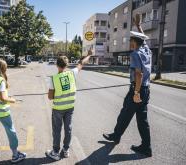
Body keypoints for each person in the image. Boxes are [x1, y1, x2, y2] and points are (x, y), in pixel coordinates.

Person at [103, 14, 152, 157]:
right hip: (146, 89)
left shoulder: (136, 54)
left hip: (137, 89)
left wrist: (136, 93)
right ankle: (146, 147)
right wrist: (138, 25)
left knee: (125, 114)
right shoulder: (146, 50)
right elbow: (143, 37)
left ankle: (116, 136)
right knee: (142, 120)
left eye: (131, 39)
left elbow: (138, 74)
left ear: (134, 42)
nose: (130, 41)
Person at [45, 50, 92, 161]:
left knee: (57, 130)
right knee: (68, 129)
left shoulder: (53, 79)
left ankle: (55, 152)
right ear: (67, 65)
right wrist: (89, 55)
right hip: (70, 107)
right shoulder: (72, 73)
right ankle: (66, 150)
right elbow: (81, 63)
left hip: (58, 109)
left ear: (57, 65)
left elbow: (50, 97)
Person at [0, 59, 26, 163]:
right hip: (2, 111)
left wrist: (6, 96)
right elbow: (3, 98)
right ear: (2, 69)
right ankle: (15, 155)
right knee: (11, 131)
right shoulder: (0, 80)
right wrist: (12, 100)